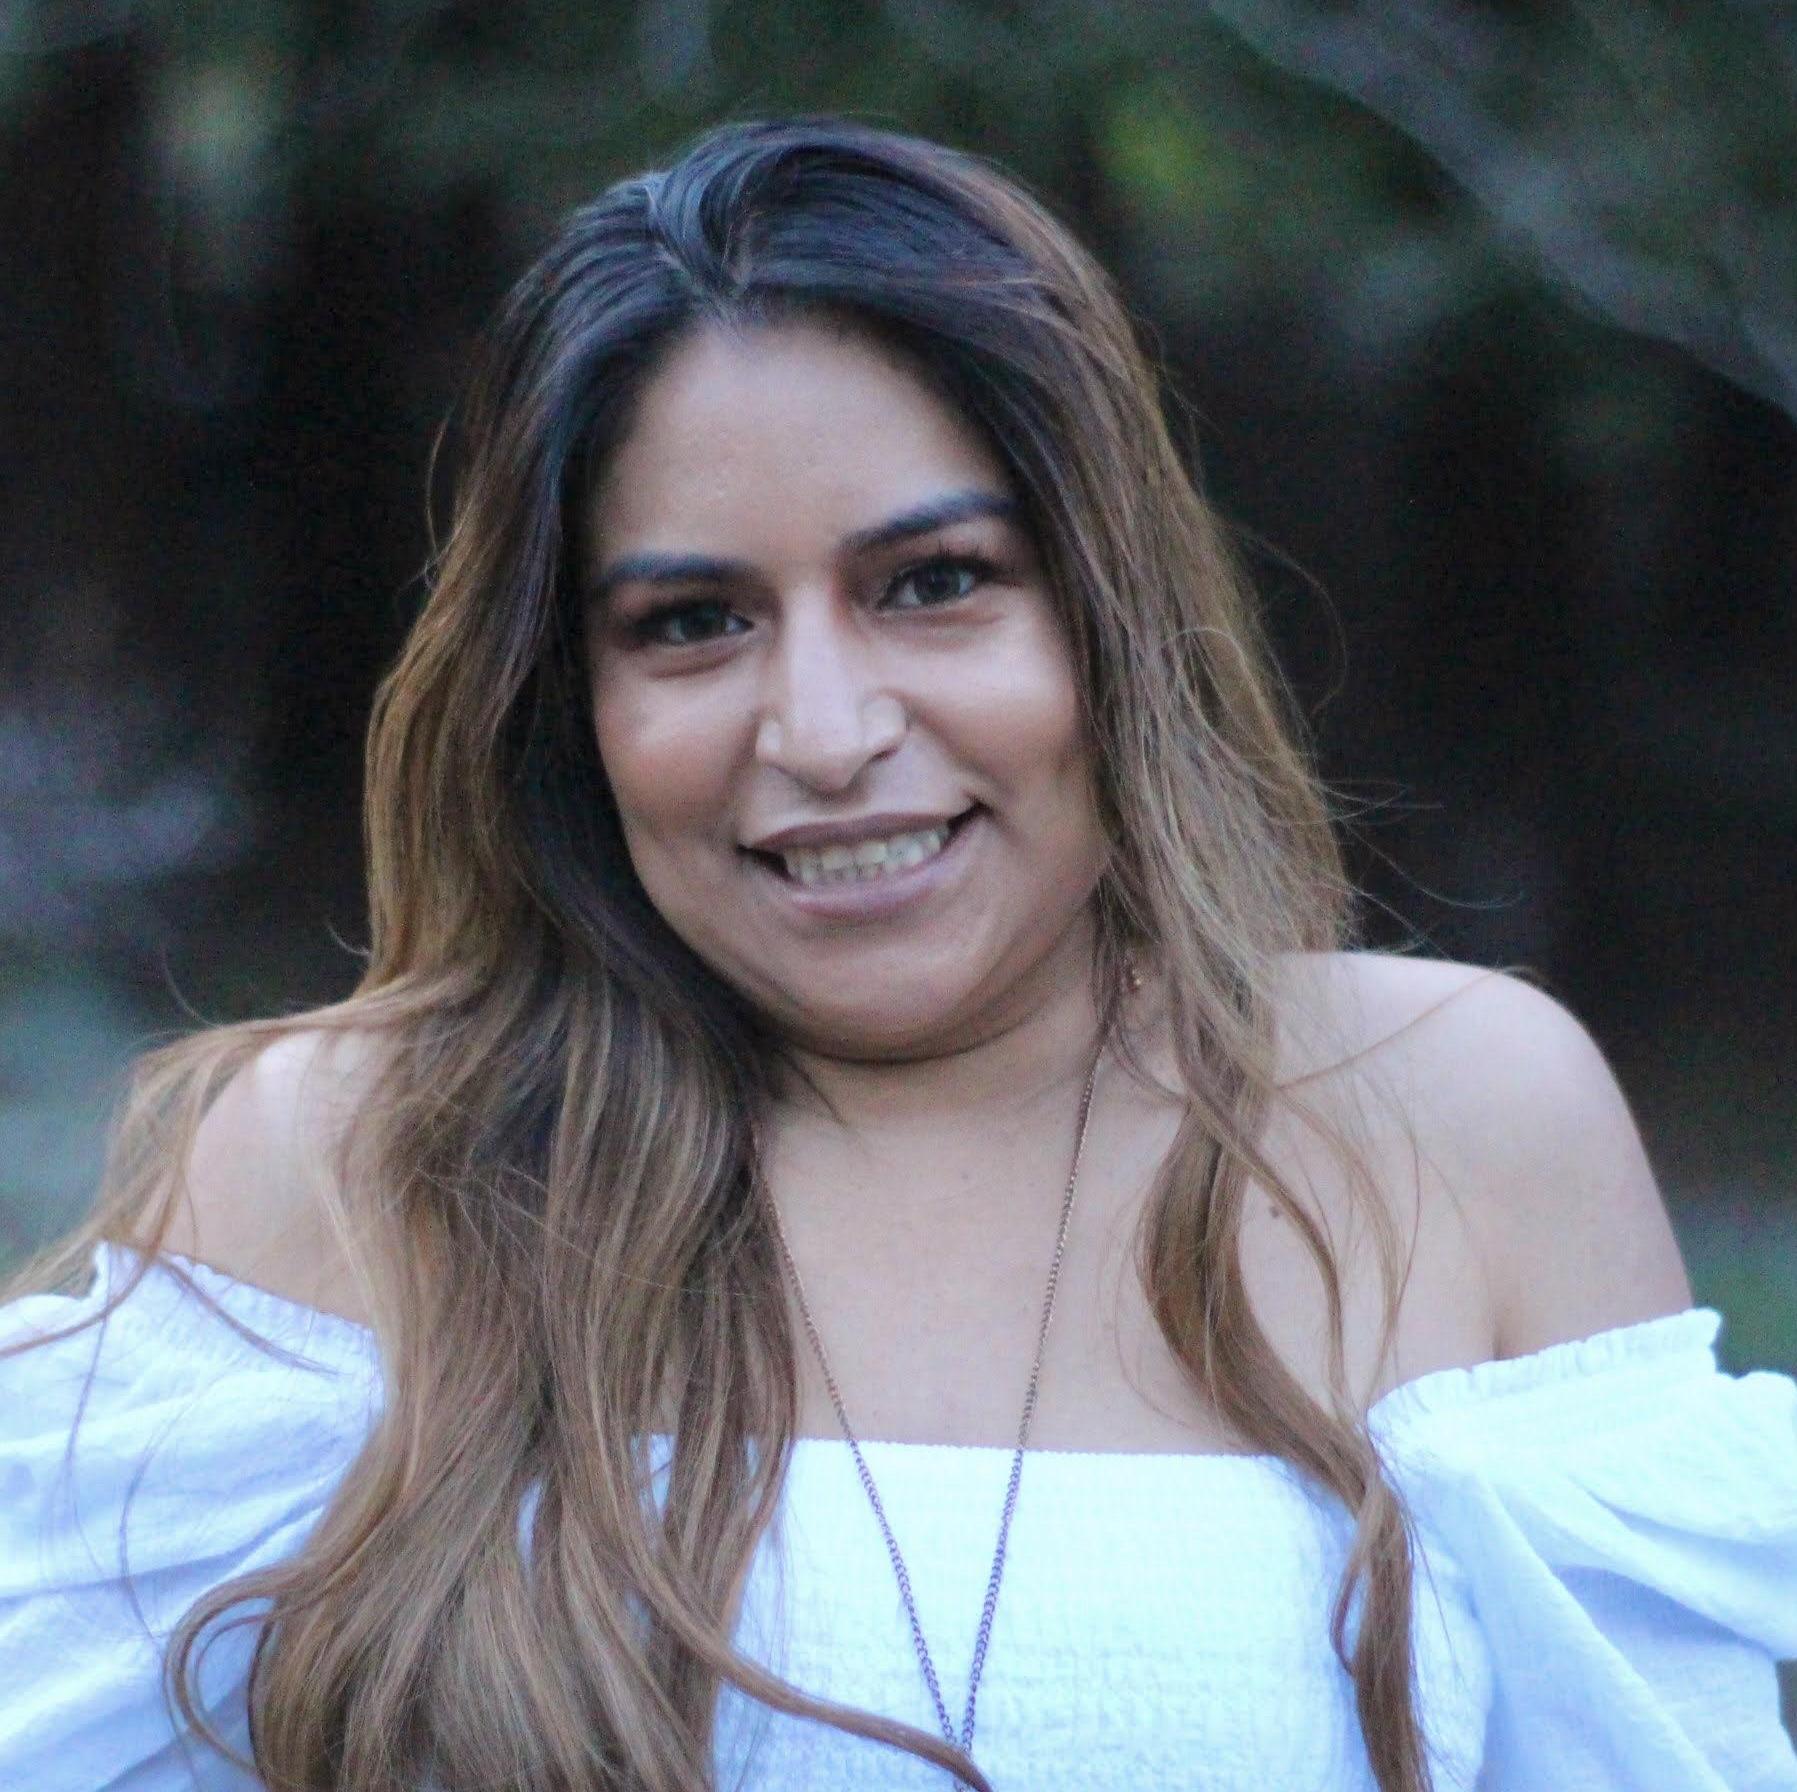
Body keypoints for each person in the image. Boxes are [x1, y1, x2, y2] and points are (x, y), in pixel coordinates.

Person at [2, 116, 1793, 1792]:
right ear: (568, 703)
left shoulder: (1447, 1118)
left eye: (932, 583)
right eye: (692, 622)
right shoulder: (351, 1161)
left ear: (1109, 615)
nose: (826, 728)